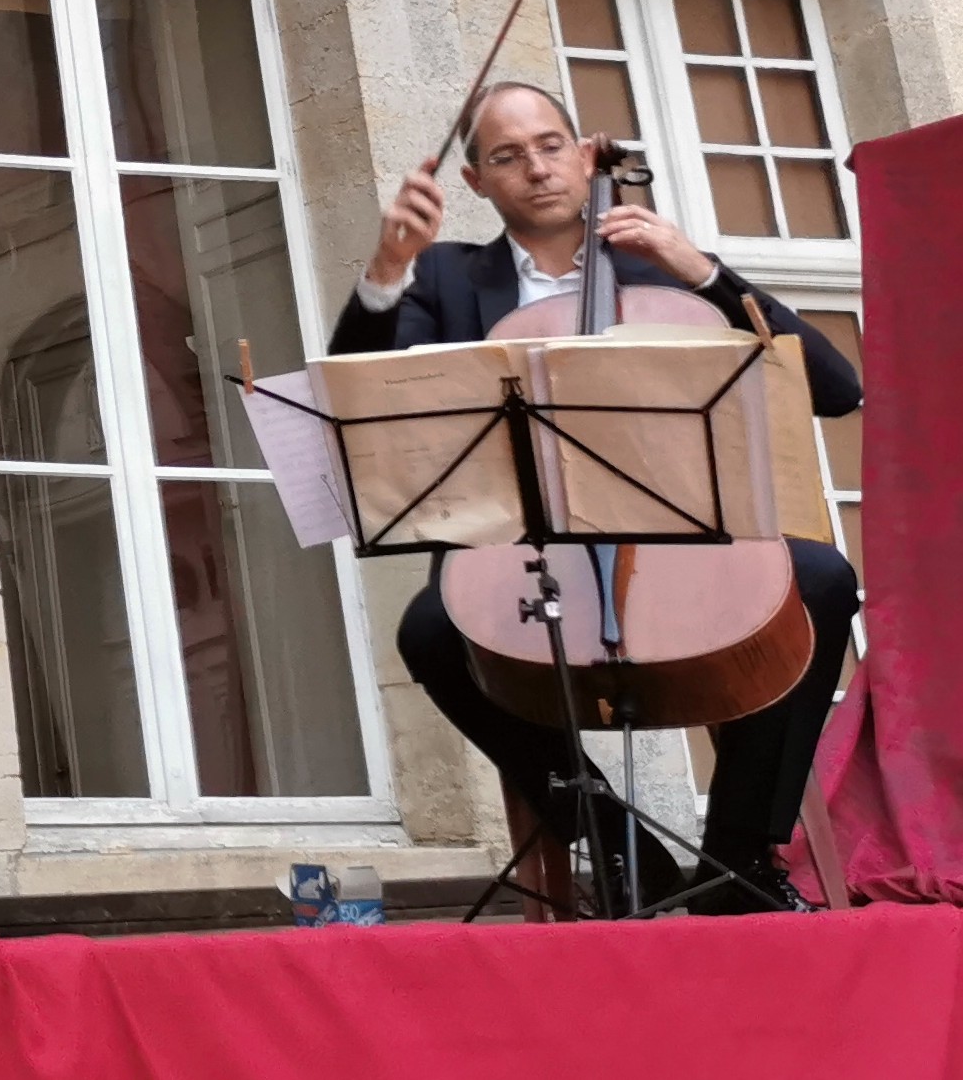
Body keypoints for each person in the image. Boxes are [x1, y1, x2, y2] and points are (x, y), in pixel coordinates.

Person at [334, 79, 865, 911]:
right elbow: (362, 396)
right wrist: (384, 272)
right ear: (474, 181)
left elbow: (834, 387)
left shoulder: (660, 268)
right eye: (507, 156)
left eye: (550, 146)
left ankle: (737, 857)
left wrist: (706, 271)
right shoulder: (446, 277)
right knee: (432, 629)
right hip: (524, 548)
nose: (536, 169)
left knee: (821, 579)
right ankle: (605, 829)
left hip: (680, 537)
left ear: (585, 157)